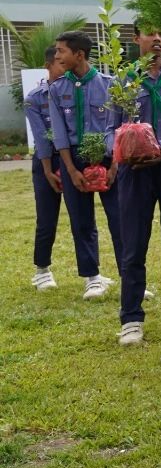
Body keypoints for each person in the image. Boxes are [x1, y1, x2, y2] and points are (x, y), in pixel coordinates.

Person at [110, 25, 161, 347]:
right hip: (135, 172)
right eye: (149, 33)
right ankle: (131, 318)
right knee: (133, 247)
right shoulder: (123, 81)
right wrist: (125, 151)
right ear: (137, 39)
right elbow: (108, 130)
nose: (157, 39)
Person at [46, 29, 123, 300]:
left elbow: (120, 128)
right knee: (81, 220)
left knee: (120, 219)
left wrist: (114, 166)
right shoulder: (56, 89)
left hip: (109, 157)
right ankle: (92, 278)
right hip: (73, 159)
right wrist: (70, 170)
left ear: (79, 54)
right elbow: (59, 134)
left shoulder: (110, 85)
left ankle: (131, 277)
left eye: (61, 51)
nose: (57, 56)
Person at [24, 45, 68, 291]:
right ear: (48, 65)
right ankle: (42, 270)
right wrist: (48, 170)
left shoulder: (74, 92)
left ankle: (92, 274)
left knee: (83, 219)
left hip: (73, 159)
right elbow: (41, 138)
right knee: (47, 217)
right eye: (61, 64)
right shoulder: (35, 98)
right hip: (46, 160)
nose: (66, 68)